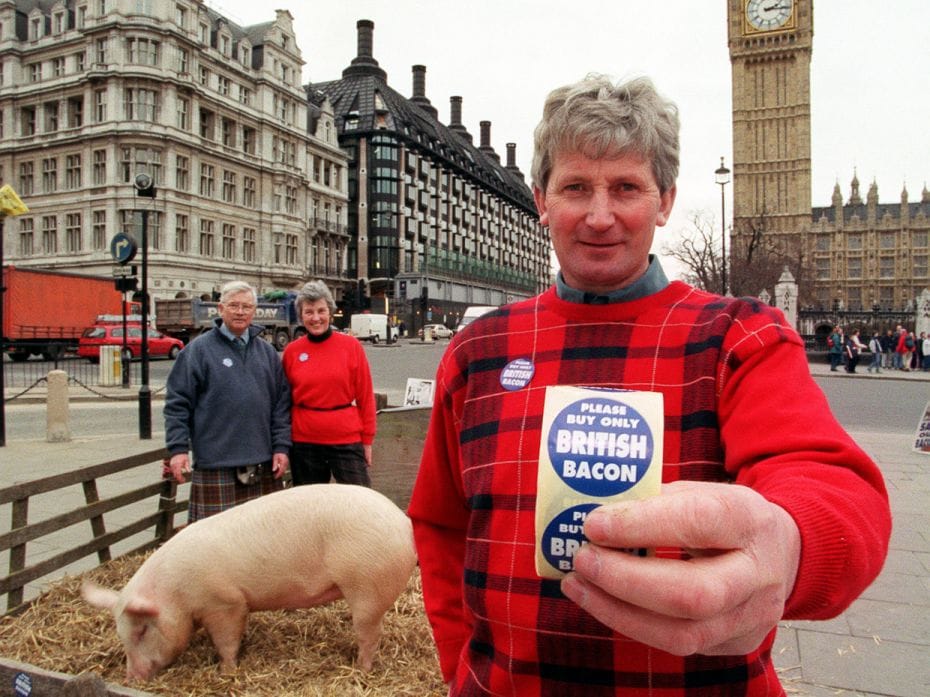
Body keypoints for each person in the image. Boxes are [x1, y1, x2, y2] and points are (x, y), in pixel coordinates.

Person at [407, 75, 891, 696]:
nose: (600, 216)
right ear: (541, 200)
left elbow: (829, 483)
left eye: (627, 188)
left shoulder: (737, 338)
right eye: (576, 187)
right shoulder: (479, 349)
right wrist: (460, 669)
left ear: (665, 201)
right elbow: (443, 527)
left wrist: (792, 543)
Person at [164, 280, 291, 521]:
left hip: (262, 461)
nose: (240, 312)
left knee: (261, 541)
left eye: (246, 306)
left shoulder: (267, 353)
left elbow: (280, 407)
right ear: (220, 309)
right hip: (216, 462)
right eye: (234, 305)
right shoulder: (198, 351)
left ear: (254, 311)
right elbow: (177, 404)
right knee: (213, 548)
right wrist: (179, 449)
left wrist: (281, 447)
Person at [282, 280, 376, 486]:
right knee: (310, 508)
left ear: (330, 312)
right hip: (304, 442)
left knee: (358, 501)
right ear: (301, 315)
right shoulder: (292, 352)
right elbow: (283, 401)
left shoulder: (351, 347)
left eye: (321, 311)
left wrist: (367, 440)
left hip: (345, 439)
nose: (316, 318)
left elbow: (366, 397)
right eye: (309, 312)